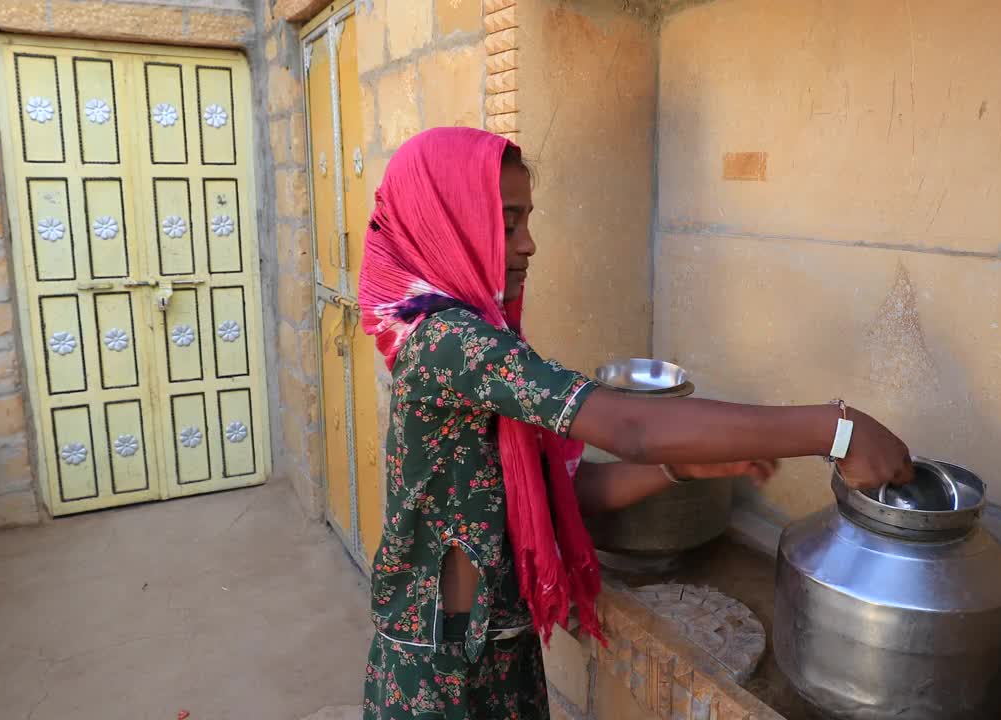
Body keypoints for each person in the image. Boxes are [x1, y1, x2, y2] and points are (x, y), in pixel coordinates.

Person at [358, 127, 913, 720]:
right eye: (507, 222)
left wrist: (675, 468)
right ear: (448, 225)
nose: (529, 245)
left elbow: (569, 493)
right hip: (437, 679)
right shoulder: (450, 341)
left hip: (501, 655)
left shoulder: (484, 341)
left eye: (526, 221)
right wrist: (837, 430)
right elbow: (631, 427)